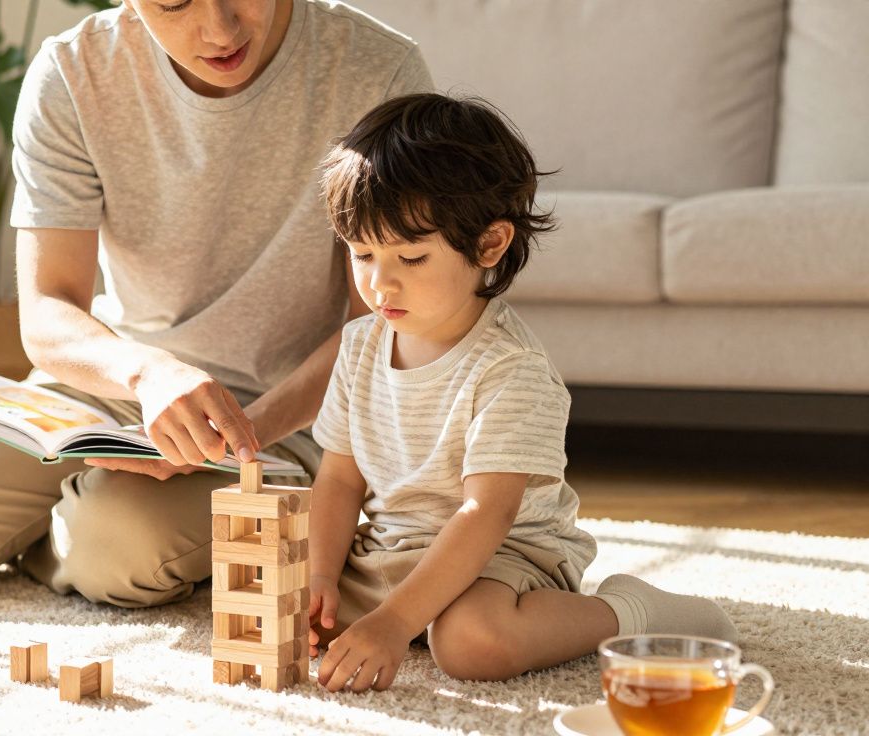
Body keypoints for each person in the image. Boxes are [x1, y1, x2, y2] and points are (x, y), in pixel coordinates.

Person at [0, 0, 433, 605]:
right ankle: (69, 521)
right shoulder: (74, 72)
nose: (220, 29)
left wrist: (238, 436)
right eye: (174, 2)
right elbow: (48, 308)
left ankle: (64, 533)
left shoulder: (377, 72)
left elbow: (380, 330)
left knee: (117, 551)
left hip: (284, 417)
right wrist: (147, 373)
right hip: (115, 385)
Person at [306, 92, 738, 690]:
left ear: (489, 245)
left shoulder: (512, 369)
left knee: (469, 644)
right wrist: (320, 576)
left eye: (410, 256)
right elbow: (338, 479)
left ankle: (629, 612)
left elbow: (487, 513)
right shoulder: (359, 345)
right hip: (393, 549)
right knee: (299, 609)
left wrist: (393, 621)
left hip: (506, 556)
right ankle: (397, 611)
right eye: (362, 253)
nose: (380, 282)